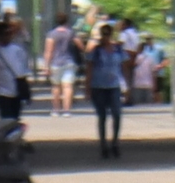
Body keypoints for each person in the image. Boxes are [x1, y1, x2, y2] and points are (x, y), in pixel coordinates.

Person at [86, 23, 129, 157]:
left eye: (107, 34)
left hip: (114, 86)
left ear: (111, 35)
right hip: (98, 86)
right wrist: (87, 88)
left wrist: (127, 86)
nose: (105, 37)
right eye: (103, 34)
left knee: (117, 114)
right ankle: (103, 144)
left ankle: (115, 142)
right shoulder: (96, 51)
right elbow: (89, 70)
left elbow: (125, 68)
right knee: (102, 116)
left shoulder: (118, 50)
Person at [0, 24, 30, 121]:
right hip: (2, 92)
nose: (8, 36)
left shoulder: (18, 50)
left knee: (15, 118)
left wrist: (25, 89)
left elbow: (23, 71)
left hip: (17, 91)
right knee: (6, 118)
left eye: (9, 33)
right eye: (5, 34)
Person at [45, 14, 76, 117]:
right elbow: (79, 44)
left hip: (55, 63)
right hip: (68, 62)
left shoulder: (51, 34)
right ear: (66, 21)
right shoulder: (70, 33)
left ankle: (56, 109)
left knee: (56, 86)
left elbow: (49, 51)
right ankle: (67, 110)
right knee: (68, 86)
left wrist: (46, 66)